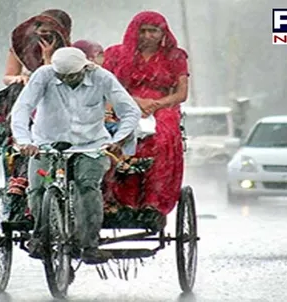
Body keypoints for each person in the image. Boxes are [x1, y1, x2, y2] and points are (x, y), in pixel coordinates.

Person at [10, 47, 141, 263]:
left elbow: (130, 111)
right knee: (38, 187)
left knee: (87, 186)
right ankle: (39, 236)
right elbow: (22, 108)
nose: (68, 80)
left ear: (85, 68)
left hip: (90, 146)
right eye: (62, 76)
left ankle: (89, 244)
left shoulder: (101, 77)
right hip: (47, 144)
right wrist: (25, 142)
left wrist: (119, 139)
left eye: (73, 75)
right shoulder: (44, 75)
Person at [102, 11, 190, 224]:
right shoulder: (116, 54)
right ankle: (121, 200)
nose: (148, 36)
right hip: (122, 104)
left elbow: (181, 93)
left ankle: (153, 201)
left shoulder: (175, 56)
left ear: (163, 33)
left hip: (163, 107)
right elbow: (106, 87)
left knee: (161, 138)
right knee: (118, 139)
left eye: (153, 31)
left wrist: (157, 104)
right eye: (143, 31)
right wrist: (134, 101)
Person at [0, 9, 73, 221]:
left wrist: (47, 60)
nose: (43, 36)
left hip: (60, 106)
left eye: (50, 32)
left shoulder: (71, 54)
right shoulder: (21, 48)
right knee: (19, 99)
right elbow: (8, 76)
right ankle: (22, 189)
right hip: (27, 102)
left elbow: (57, 79)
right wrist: (19, 78)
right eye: (40, 30)